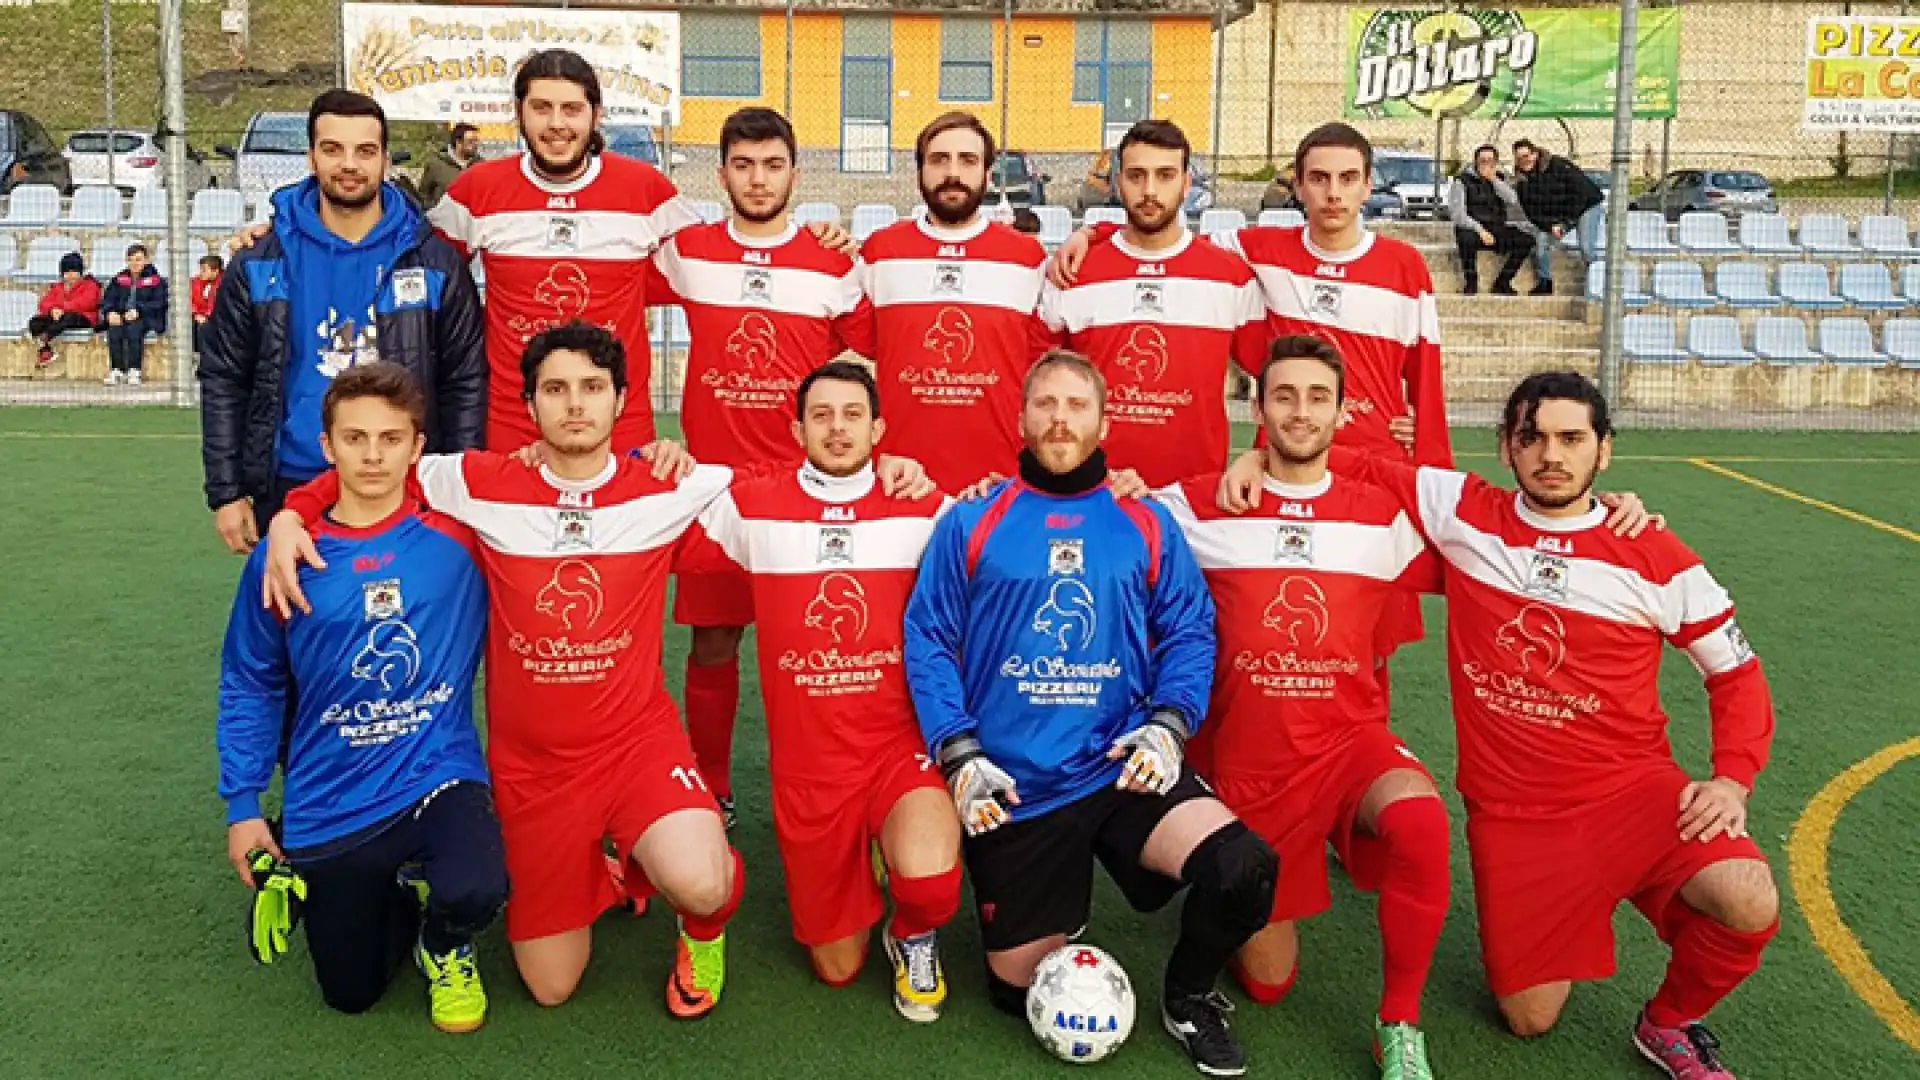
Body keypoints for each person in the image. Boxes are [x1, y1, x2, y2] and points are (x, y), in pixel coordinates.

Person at [259, 322, 931, 1018]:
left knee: (704, 882)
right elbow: (376, 470)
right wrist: (292, 514)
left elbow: (799, 488)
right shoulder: (478, 481)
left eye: (591, 388)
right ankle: (610, 868)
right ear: (529, 403)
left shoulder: (667, 484)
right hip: (535, 770)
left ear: (620, 400)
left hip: (638, 748)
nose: (574, 404)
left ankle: (698, 930)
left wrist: (886, 472)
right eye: (555, 389)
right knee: (552, 987)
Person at [1223, 371, 1777, 1077]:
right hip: (1518, 820)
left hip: (1632, 794)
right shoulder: (1465, 514)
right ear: (1506, 448)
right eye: (1533, 437)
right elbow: (1350, 456)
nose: (1553, 454)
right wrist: (1252, 458)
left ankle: (1669, 1022)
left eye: (1572, 438)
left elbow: (1736, 674)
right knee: (1527, 1017)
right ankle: (1569, 917)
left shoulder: (1654, 555)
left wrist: (1733, 778)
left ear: (1602, 451)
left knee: (1748, 895)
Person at [903, 349, 1278, 1077]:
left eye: (1077, 406)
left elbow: (1191, 630)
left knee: (1245, 869)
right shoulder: (972, 521)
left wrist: (1170, 723)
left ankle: (1188, 997)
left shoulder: (1143, 524)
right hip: (1016, 788)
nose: (1060, 419)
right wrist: (960, 753)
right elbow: (929, 636)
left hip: (1120, 767)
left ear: (1104, 420)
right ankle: (1052, 899)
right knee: (1016, 995)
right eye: (1045, 404)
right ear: (1020, 417)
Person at [1157, 336, 1448, 1079]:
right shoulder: (1199, 504)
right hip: (1250, 765)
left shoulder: (1383, 519)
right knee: (1267, 981)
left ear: (1344, 410)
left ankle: (1402, 1023)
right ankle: (1248, 862)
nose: (1300, 411)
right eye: (1283, 395)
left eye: (1318, 397)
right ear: (1257, 407)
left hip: (1349, 744)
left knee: (1419, 819)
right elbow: (1105, 520)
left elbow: (1505, 532)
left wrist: (1603, 510)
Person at [215, 362, 508, 1033]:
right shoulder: (286, 555)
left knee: (478, 886)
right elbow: (251, 679)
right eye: (354, 438)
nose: (373, 455)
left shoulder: (461, 540)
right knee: (350, 992)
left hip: (439, 774)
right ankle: (395, 891)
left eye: (390, 438)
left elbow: (565, 482)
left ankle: (444, 941)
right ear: (327, 447)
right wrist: (242, 806)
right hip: (332, 793)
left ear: (416, 446)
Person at [683, 361, 962, 1020]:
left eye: (853, 415)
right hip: (809, 770)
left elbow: (1004, 535)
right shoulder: (749, 506)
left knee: (929, 882)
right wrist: (654, 451)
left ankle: (912, 930)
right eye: (822, 415)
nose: (838, 429)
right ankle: (862, 858)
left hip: (899, 750)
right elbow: (633, 515)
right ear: (798, 427)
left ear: (879, 428)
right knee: (836, 968)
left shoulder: (922, 503)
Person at [424, 49, 849, 453]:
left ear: (597, 115)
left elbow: (726, 258)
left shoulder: (646, 191)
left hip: (621, 427)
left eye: (572, 109)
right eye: (541, 108)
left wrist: (806, 238)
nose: (557, 124)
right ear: (518, 114)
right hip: (513, 425)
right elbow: (430, 287)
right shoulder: (474, 192)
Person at [641, 106, 865, 830]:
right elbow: (606, 286)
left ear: (795, 174)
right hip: (716, 493)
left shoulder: (833, 261)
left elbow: (881, 346)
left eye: (772, 165)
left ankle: (841, 789)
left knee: (824, 651)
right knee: (713, 641)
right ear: (723, 173)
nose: (759, 179)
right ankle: (712, 790)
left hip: (806, 493)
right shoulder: (689, 251)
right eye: (744, 164)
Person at [1055, 122, 1451, 471]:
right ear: (1298, 185)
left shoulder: (1405, 266)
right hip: (1281, 462)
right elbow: (1164, 240)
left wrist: (1428, 440)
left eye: (1347, 179)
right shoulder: (1258, 249)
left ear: (1368, 186)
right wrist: (1094, 234)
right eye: (1318, 178)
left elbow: (1426, 377)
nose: (1333, 193)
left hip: (1377, 460)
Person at [200, 89, 487, 553]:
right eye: (333, 149)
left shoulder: (433, 261)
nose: (349, 164)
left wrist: (458, 484)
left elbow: (465, 380)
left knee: (400, 624)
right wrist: (227, 492)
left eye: (365, 151)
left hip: (407, 486)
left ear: (386, 160)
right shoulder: (259, 260)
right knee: (299, 618)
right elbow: (224, 378)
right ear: (311, 157)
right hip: (291, 483)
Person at [1034, 119, 1267, 488]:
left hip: (1192, 499)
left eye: (1165, 175)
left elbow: (1278, 380)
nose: (1150, 190)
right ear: (1116, 181)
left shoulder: (1229, 277)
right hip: (1095, 496)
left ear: (1187, 182)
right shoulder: (1074, 273)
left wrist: (1261, 456)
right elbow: (1035, 387)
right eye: (1136, 175)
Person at [837, 112, 1056, 492]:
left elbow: (1038, 348)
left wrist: (1094, 233)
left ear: (987, 174)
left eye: (967, 161)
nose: (953, 173)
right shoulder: (881, 252)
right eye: (939, 160)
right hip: (899, 479)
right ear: (918, 171)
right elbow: (869, 341)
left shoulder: (1026, 258)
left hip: (996, 483)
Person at [1511, 139, 1603, 297]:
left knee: (1586, 248)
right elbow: (1532, 214)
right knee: (1540, 244)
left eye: (1526, 156)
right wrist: (1551, 225)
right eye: (1519, 158)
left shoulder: (1558, 165)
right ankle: (1545, 282)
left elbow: (1580, 192)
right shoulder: (1522, 183)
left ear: (1535, 154)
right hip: (1558, 219)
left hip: (1585, 206)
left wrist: (1566, 222)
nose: (1524, 161)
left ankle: (1599, 282)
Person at [1447, 145, 1535, 296]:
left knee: (1526, 240)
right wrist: (1480, 230)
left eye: (1490, 161)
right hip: (1474, 228)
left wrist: (1494, 180)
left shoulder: (1499, 179)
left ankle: (1503, 282)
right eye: (1482, 160)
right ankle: (1471, 281)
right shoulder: (1462, 181)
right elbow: (1458, 215)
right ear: (1476, 161)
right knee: (1465, 238)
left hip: (1496, 227)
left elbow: (1512, 199)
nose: (1486, 164)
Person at [99, 242, 167, 386]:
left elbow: (159, 303)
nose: (134, 263)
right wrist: (110, 312)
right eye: (131, 260)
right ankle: (117, 370)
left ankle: (134, 370)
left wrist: (139, 310)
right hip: (123, 315)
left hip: (147, 317)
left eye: (138, 259)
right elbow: (108, 299)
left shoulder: (156, 281)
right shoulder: (119, 279)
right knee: (114, 329)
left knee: (134, 328)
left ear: (146, 260)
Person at [28, 252, 98, 369]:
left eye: (74, 271)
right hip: (60, 318)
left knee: (69, 317)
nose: (70, 275)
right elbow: (43, 303)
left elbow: (86, 303)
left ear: (80, 272)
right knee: (35, 322)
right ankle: (46, 351)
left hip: (84, 317)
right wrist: (52, 310)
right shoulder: (58, 287)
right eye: (67, 272)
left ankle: (43, 339)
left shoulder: (90, 285)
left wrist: (62, 308)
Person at [417, 123, 479, 209]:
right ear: (458, 143)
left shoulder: (481, 165)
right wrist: (433, 211)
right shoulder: (436, 165)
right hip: (443, 219)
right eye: (471, 141)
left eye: (476, 141)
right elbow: (423, 195)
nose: (475, 144)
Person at [191, 254, 223, 358]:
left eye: (204, 270)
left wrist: (206, 315)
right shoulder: (196, 282)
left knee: (204, 328)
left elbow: (219, 305)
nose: (201, 273)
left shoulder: (224, 283)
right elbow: (191, 300)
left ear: (215, 271)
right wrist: (196, 314)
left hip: (216, 318)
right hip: (199, 316)